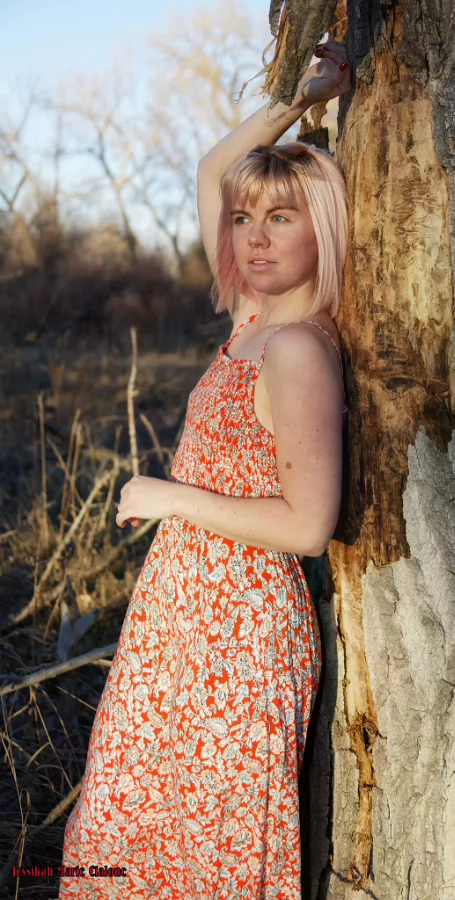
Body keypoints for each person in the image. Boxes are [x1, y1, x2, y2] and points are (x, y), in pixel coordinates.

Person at [59, 41, 352, 900]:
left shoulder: (298, 350)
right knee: (125, 830)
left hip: (245, 631)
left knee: (206, 855)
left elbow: (308, 525)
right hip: (179, 614)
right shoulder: (251, 317)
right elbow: (212, 170)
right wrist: (301, 101)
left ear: (323, 228)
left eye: (282, 218)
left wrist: (170, 496)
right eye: (245, 219)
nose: (254, 237)